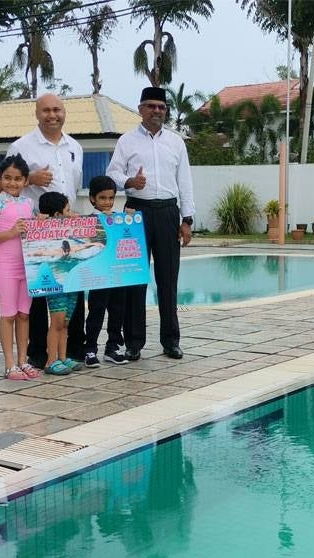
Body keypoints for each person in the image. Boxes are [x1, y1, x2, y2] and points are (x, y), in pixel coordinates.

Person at [107, 86, 194, 361]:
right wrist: (130, 182)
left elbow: (185, 183)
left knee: (168, 279)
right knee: (134, 279)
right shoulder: (126, 141)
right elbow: (113, 173)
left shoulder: (176, 142)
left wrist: (187, 219)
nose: (157, 111)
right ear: (141, 108)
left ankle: (170, 340)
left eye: (161, 107)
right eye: (151, 106)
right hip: (136, 213)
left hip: (168, 212)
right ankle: (134, 342)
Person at [6, 93, 85, 369]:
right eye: (46, 111)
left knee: (73, 289)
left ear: (64, 112)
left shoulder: (74, 146)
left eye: (57, 110)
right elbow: (3, 184)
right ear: (37, 114)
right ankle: (41, 353)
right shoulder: (22, 147)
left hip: (68, 229)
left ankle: (71, 351)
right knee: (41, 295)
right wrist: (31, 178)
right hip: (37, 232)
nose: (52, 115)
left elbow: (75, 189)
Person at [0, 154, 40, 381]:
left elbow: (35, 231)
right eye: (7, 178)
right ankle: (9, 364)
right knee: (8, 314)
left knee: (24, 314)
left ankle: (23, 360)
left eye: (17, 179)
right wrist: (11, 233)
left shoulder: (29, 204)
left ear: (25, 181)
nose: (12, 183)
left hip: (28, 267)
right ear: (1, 179)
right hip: (6, 265)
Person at [36, 191, 84, 376]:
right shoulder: (44, 236)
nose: (70, 213)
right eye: (67, 210)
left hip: (70, 280)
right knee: (57, 322)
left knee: (65, 322)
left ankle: (63, 358)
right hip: (56, 283)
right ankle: (50, 361)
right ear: (57, 215)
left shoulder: (70, 233)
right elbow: (41, 253)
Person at [82, 175, 127, 368]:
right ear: (92, 198)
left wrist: (129, 220)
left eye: (111, 198)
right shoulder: (88, 221)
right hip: (98, 276)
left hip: (118, 274)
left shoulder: (121, 219)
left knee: (117, 310)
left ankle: (113, 347)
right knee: (96, 311)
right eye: (102, 198)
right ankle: (90, 349)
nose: (107, 202)